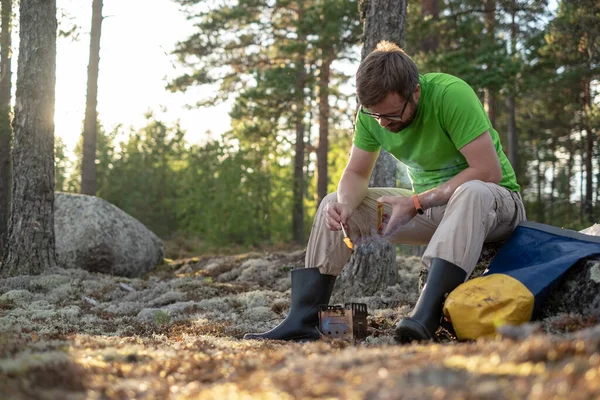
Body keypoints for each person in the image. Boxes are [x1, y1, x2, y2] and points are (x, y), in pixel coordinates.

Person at [244, 41, 526, 344]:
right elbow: (355, 173)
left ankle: (426, 315)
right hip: (431, 210)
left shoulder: (450, 95)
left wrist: (416, 202)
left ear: (415, 92)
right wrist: (348, 206)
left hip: (495, 206)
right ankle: (303, 318)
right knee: (333, 201)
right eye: (375, 115)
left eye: (391, 115)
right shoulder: (372, 115)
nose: (382, 123)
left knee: (471, 191)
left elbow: (488, 172)